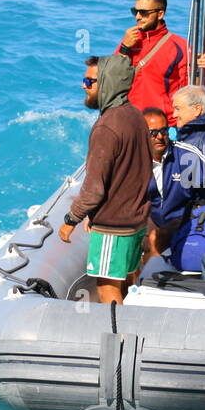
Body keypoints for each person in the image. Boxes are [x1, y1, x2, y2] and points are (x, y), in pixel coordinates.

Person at [59, 54, 152, 304]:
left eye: (89, 81)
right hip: (136, 220)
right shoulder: (134, 116)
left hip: (115, 226)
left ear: (107, 83)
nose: (83, 86)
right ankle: (129, 331)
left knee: (107, 288)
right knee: (126, 281)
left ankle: (118, 338)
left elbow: (94, 188)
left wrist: (71, 219)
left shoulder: (106, 127)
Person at [147, 86, 205, 270]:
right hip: (175, 212)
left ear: (197, 109)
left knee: (154, 238)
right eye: (153, 133)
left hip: (189, 215)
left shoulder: (194, 143)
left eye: (178, 109)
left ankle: (150, 279)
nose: (174, 114)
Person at [117, 0, 191, 125]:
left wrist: (204, 68)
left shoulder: (180, 46)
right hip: (130, 122)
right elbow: (113, 78)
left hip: (162, 126)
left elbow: (189, 91)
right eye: (135, 11)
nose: (137, 17)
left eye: (143, 12)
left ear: (160, 14)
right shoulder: (129, 40)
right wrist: (125, 47)